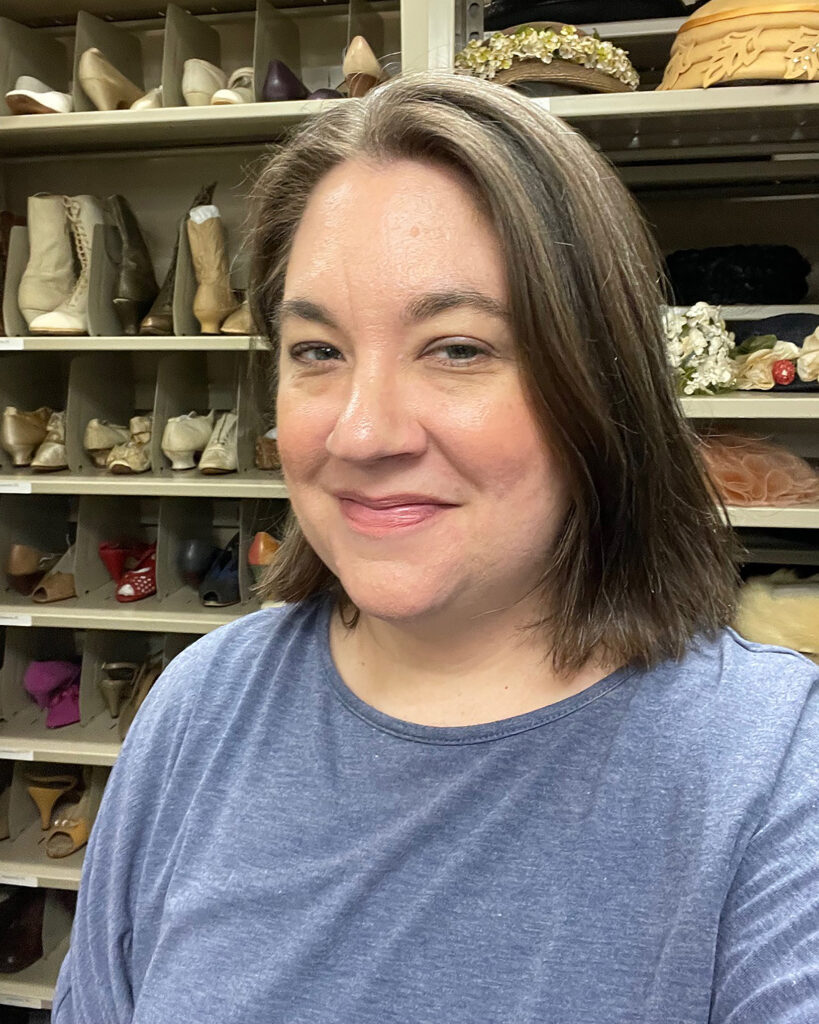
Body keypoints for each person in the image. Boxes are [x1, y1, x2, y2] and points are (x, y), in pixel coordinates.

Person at [53, 72, 819, 1024]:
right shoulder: (201, 711)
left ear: (602, 383)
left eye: (457, 348)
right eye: (318, 352)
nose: (363, 435)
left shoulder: (770, 767)